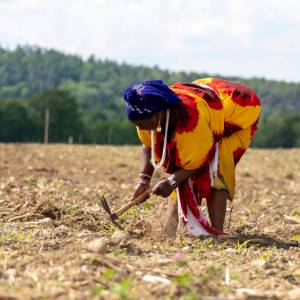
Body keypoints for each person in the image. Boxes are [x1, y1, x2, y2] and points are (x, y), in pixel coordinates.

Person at [123, 78, 261, 237]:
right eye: (137, 125)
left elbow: (199, 160)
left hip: (236, 109)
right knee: (178, 170)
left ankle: (217, 233)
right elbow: (148, 145)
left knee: (217, 167)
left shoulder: (191, 121)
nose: (140, 128)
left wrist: (171, 181)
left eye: (142, 124)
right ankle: (169, 229)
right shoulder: (146, 115)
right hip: (207, 97)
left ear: (158, 115)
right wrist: (143, 179)